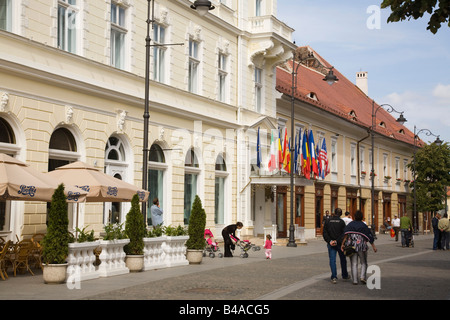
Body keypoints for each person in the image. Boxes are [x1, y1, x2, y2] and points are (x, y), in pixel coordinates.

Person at [341, 210, 377, 285]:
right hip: (361, 246)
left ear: (354, 217)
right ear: (361, 217)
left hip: (352, 246)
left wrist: (342, 244)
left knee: (354, 263)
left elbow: (345, 235)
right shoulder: (363, 225)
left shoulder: (350, 224)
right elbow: (369, 236)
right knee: (363, 262)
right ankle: (362, 277)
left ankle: (355, 280)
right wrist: (373, 246)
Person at [323, 208, 349, 284]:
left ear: (334, 213)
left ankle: (334, 276)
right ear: (341, 214)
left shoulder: (328, 221)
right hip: (340, 244)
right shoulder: (341, 222)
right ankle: (344, 275)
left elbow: (324, 233)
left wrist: (330, 241)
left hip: (331, 243)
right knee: (343, 259)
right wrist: (337, 241)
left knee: (332, 260)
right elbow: (343, 234)